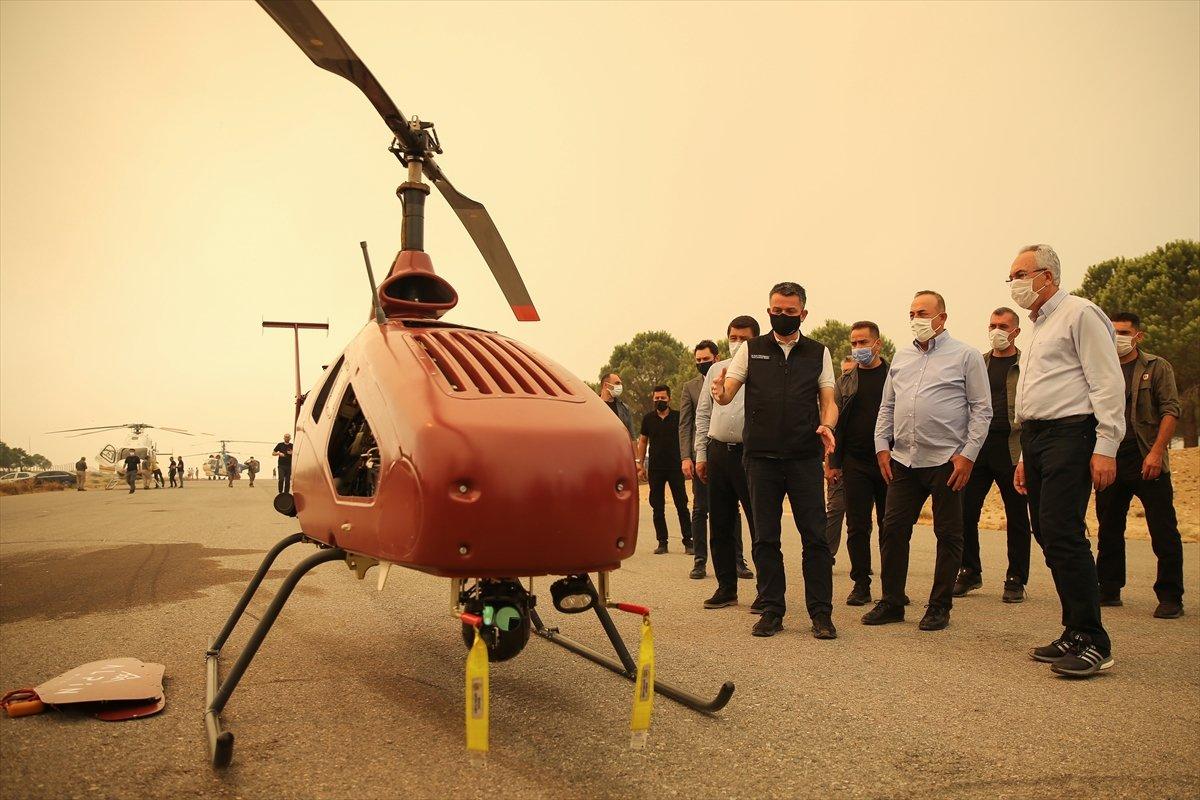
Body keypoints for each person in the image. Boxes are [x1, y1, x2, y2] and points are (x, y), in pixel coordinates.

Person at [1010, 244, 1124, 677]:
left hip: (1072, 434)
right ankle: (1074, 631)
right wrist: (1023, 454)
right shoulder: (1038, 325)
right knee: (1047, 531)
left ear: (1047, 275)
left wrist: (1106, 444)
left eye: (1021, 274)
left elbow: (1107, 380)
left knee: (1063, 531)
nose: (1015, 284)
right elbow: (1034, 394)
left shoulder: (1081, 313)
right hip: (1038, 438)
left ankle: (1095, 640)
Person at [712, 282, 839, 640]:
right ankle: (771, 609)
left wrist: (827, 424)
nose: (782, 316)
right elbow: (728, 392)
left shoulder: (819, 352)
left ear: (803, 313)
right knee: (765, 538)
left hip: (803, 458)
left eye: (789, 311)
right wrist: (720, 394)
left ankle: (821, 613)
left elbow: (829, 398)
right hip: (761, 460)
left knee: (815, 538)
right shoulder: (752, 350)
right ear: (768, 310)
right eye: (776, 311)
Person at [864, 291, 991, 633]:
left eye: (923, 312)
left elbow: (982, 409)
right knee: (892, 530)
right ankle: (892, 602)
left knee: (948, 533)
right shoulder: (902, 358)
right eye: (912, 312)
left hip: (946, 460)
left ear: (942, 318)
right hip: (904, 458)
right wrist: (881, 446)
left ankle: (939, 606)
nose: (916, 318)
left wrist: (967, 455)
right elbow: (887, 407)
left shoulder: (966, 356)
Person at [1095, 312, 1184, 618]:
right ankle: (1108, 588)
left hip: (1146, 455)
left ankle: (1170, 596)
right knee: (1108, 527)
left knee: (1162, 529)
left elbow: (1171, 410)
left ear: (1138, 336)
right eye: (1113, 332)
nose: (1117, 338)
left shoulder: (1156, 367)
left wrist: (1157, 453)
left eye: (1123, 332)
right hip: (1110, 457)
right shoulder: (1100, 369)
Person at [956, 307, 1031, 603]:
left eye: (1003, 325)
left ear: (1016, 331)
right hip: (978, 447)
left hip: (1012, 448)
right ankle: (969, 570)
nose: (996, 331)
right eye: (992, 325)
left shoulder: (1026, 364)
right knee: (965, 511)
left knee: (1016, 516)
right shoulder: (979, 363)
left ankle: (1015, 578)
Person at [695, 315, 762, 610]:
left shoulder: (764, 371)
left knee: (760, 524)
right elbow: (703, 415)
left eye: (744, 339)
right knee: (720, 523)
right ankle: (726, 587)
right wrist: (701, 454)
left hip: (752, 455)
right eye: (734, 338)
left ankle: (767, 590)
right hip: (718, 452)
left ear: (757, 341)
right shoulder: (717, 371)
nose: (738, 343)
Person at [829, 323, 891, 606]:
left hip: (891, 462)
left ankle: (892, 587)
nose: (858, 348)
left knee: (890, 527)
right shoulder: (845, 382)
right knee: (857, 526)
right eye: (854, 343)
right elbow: (837, 425)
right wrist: (833, 462)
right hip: (855, 464)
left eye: (863, 342)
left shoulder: (895, 376)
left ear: (877, 344)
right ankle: (861, 584)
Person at [681, 341, 749, 579]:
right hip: (708, 452)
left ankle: (739, 560)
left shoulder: (740, 374)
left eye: (705, 359)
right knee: (701, 509)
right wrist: (689, 456)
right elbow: (689, 423)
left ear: (715, 357)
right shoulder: (690, 387)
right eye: (698, 360)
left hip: (738, 454)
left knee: (734, 511)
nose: (702, 363)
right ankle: (700, 561)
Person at [637, 385, 693, 554]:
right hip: (655, 468)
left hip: (676, 467)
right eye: (656, 398)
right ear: (653, 399)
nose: (659, 401)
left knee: (681, 505)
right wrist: (640, 464)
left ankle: (688, 541)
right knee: (657, 506)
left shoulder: (678, 417)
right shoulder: (648, 419)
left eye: (662, 398)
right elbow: (643, 441)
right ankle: (662, 542)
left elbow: (686, 437)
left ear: (669, 399)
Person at [823, 356, 856, 563]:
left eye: (851, 372)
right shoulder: (835, 399)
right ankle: (826, 554)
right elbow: (828, 435)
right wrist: (829, 466)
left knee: (859, 516)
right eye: (844, 372)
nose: (847, 376)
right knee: (835, 508)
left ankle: (861, 561)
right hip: (838, 460)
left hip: (862, 461)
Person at [598, 372, 635, 441]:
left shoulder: (624, 408)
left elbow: (632, 436)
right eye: (617, 383)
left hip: (619, 449)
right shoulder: (594, 406)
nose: (620, 386)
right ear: (606, 385)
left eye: (620, 384)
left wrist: (635, 452)